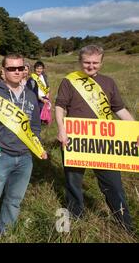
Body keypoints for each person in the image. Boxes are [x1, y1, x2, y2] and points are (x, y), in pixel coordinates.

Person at [55, 45, 136, 232]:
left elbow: (119, 109)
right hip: (75, 139)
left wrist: (134, 130)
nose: (91, 66)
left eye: (95, 63)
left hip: (103, 142)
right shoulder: (70, 81)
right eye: (86, 62)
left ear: (101, 63)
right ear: (80, 61)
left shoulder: (109, 82)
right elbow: (60, 106)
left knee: (114, 184)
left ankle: (125, 225)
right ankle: (76, 218)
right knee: (73, 182)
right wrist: (61, 128)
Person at [0, 54, 47, 242]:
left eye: (20, 68)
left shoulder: (30, 94)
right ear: (3, 72)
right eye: (12, 68)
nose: (17, 72)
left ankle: (5, 234)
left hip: (24, 159)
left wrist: (36, 146)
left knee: (14, 200)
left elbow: (35, 126)